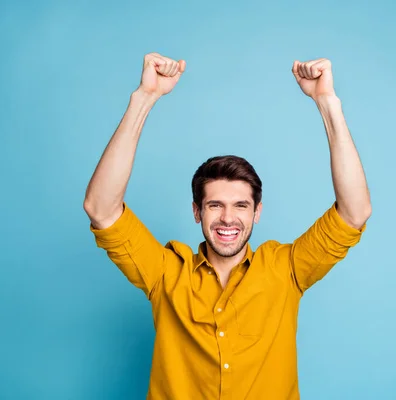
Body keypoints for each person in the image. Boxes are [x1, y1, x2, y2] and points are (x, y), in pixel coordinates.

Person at [84, 52, 371, 400]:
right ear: (196, 211)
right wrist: (144, 98)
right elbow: (100, 209)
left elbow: (354, 213)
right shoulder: (165, 274)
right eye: (215, 205)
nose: (227, 219)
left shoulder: (286, 270)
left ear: (257, 212)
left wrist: (327, 103)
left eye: (240, 206)